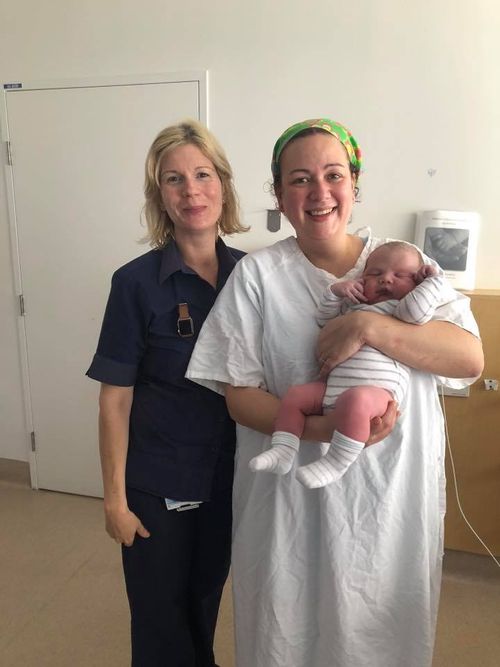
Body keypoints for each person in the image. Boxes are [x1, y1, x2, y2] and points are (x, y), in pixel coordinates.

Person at [186, 118, 483, 667]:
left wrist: (370, 328)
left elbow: (468, 357)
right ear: (278, 193)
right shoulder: (258, 276)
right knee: (288, 630)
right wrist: (324, 430)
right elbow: (238, 396)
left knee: (380, 636)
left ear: (355, 184)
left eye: (333, 175)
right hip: (290, 502)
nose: (319, 193)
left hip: (387, 500)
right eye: (299, 179)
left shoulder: (403, 264)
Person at [86, 119, 247, 667]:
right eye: (174, 179)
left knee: (202, 609)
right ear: (160, 195)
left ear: (223, 185)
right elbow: (115, 398)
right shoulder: (135, 284)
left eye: (202, 175)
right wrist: (114, 499)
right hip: (155, 488)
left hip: (227, 482)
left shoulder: (251, 278)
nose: (191, 191)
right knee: (159, 624)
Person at [249, 241, 457, 489]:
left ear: (416, 284)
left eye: (401, 275)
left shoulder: (402, 310)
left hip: (376, 394)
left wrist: (430, 282)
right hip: (333, 388)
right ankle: (283, 449)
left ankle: (336, 461)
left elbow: (416, 311)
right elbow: (323, 318)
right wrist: (336, 293)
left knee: (356, 401)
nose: (386, 280)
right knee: (295, 397)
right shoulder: (354, 306)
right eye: (375, 274)